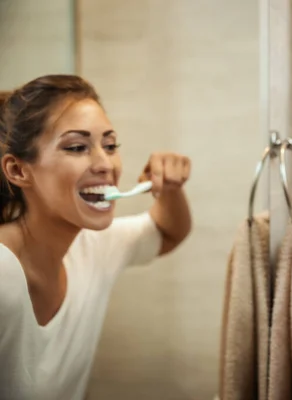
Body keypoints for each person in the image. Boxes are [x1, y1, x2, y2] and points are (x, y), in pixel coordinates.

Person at [0, 75, 192, 399]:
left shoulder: (92, 245)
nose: (106, 165)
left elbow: (168, 231)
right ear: (19, 170)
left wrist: (169, 190)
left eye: (110, 145)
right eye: (77, 147)